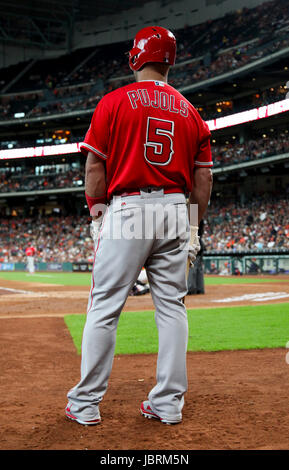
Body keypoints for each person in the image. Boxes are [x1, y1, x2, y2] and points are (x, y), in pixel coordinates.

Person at [65, 26, 213, 426]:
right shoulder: (191, 111)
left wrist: (97, 211)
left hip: (129, 208)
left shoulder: (114, 102)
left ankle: (85, 404)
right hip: (176, 210)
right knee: (172, 308)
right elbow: (204, 179)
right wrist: (194, 225)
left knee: (104, 308)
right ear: (171, 60)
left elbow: (96, 165)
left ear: (136, 57)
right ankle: (168, 404)